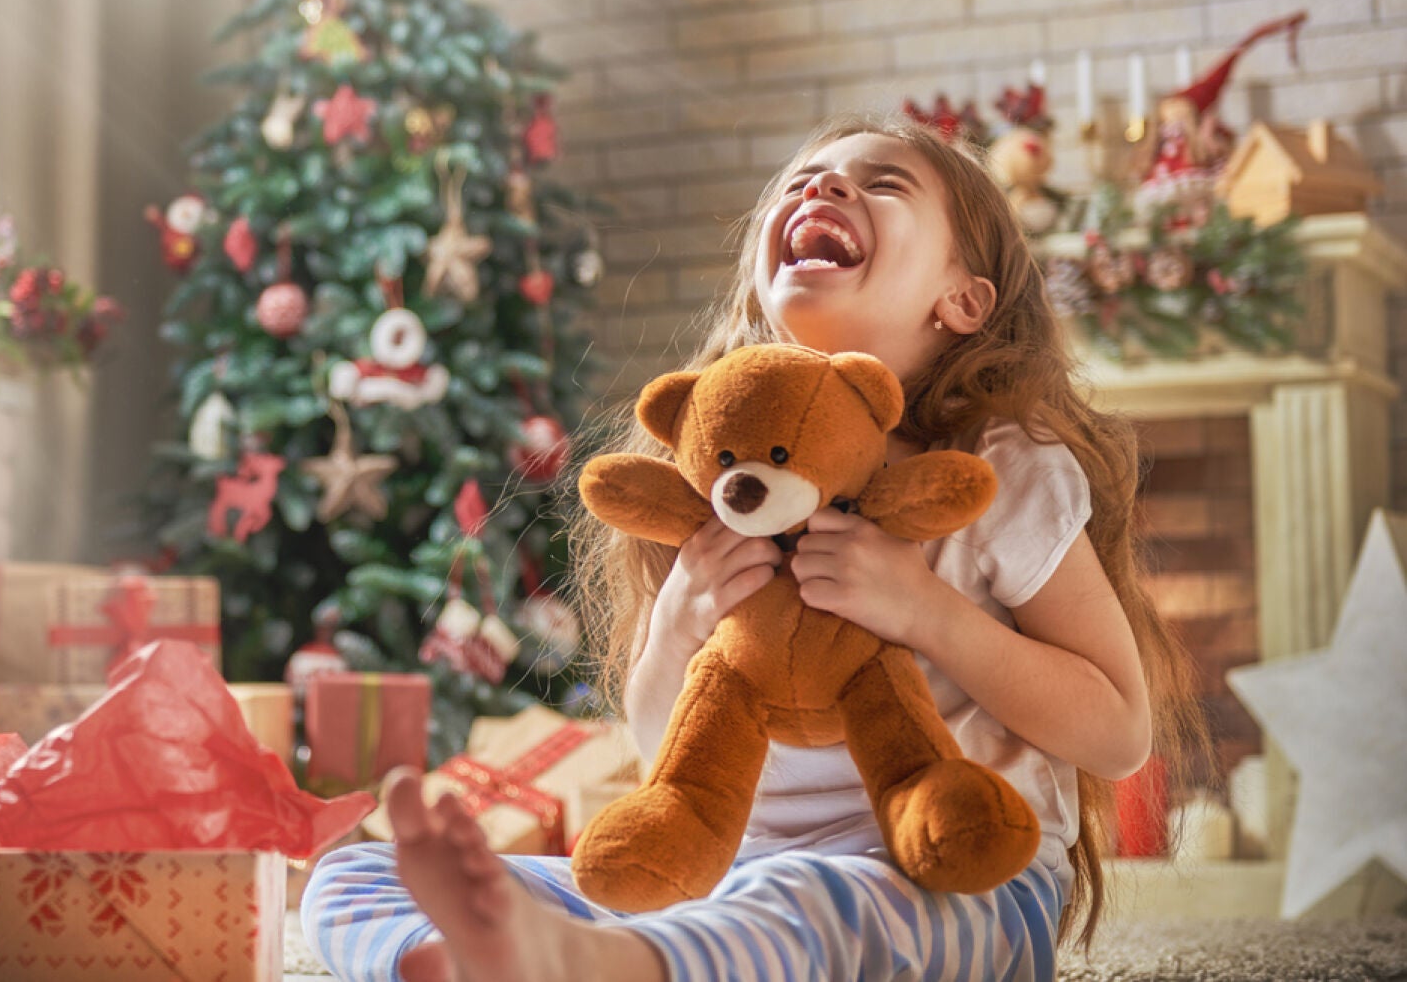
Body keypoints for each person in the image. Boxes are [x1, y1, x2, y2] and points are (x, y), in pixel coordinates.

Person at [300, 113, 1204, 982]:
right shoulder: (718, 488)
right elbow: (666, 748)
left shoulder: (995, 466)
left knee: (805, 901)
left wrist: (924, 609)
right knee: (346, 877)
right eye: (804, 181)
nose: (826, 185)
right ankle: (505, 962)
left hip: (951, 881)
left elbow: (1118, 730)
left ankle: (613, 967)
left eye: (882, 183)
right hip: (736, 876)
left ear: (962, 302)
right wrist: (677, 627)